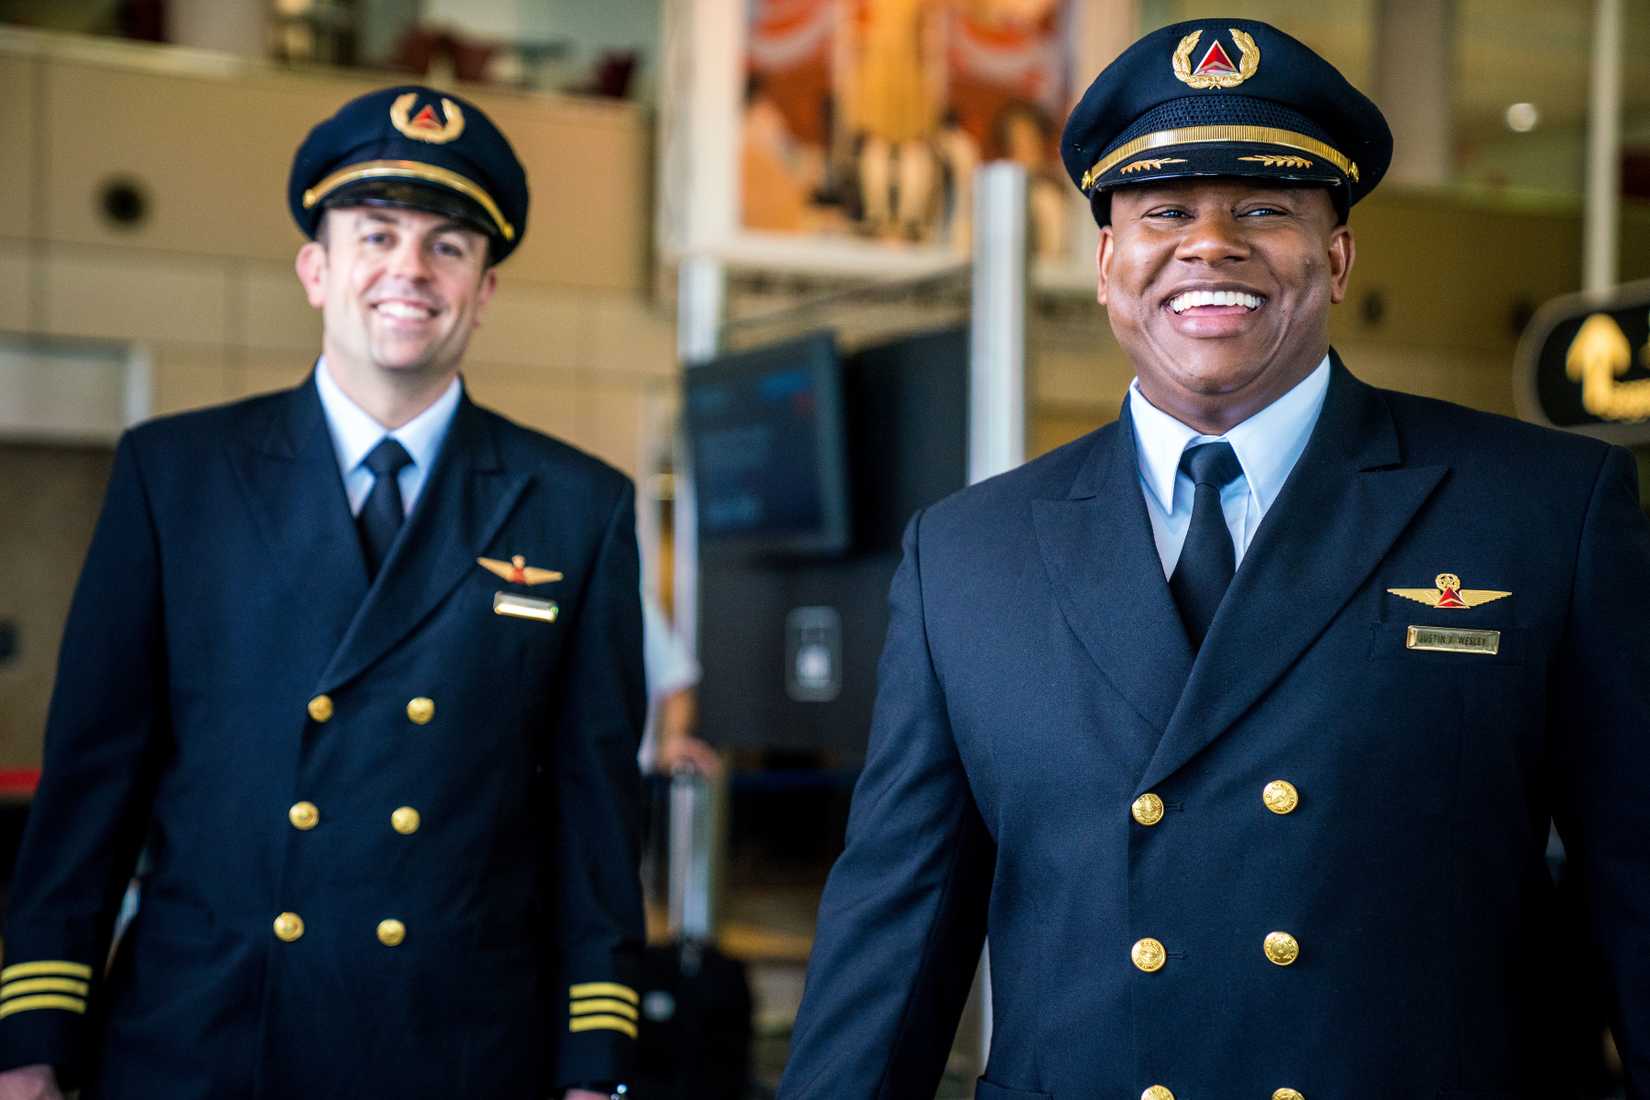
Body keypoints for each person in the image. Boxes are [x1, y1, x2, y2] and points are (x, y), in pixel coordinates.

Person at [778, 19, 1649, 1100]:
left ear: (1336, 256)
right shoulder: (967, 553)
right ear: (1107, 265)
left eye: (1265, 209)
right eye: (1164, 213)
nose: (1210, 244)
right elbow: (893, 936)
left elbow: (1638, 885)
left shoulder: (1540, 509)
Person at [0, 86, 644, 1100]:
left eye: (448, 246)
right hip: (205, 1039)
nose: (410, 270)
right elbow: (93, 781)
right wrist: (33, 1038)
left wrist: (595, 1064)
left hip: (457, 1049)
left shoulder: (578, 507)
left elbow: (594, 817)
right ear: (317, 268)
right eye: (376, 234)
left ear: (483, 290)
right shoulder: (177, 475)